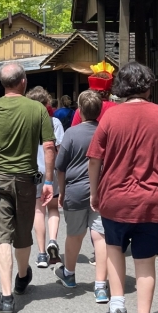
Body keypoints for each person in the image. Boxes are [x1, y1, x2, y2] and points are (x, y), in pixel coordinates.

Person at [88, 61, 158, 313]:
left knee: (115, 250)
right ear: (147, 86)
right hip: (154, 200)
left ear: (121, 87)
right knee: (145, 263)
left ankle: (117, 306)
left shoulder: (110, 118)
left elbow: (95, 159)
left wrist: (95, 192)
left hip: (115, 199)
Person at [0, 61, 55, 313]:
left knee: (2, 237)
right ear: (23, 81)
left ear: (2, 83)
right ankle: (22, 275)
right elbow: (49, 146)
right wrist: (49, 181)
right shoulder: (37, 109)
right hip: (27, 180)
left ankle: (7, 299)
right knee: (22, 232)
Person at [55, 90, 108, 298]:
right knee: (101, 238)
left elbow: (61, 167)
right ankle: (101, 286)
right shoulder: (106, 132)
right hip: (101, 191)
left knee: (74, 235)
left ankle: (69, 274)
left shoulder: (72, 133)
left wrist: (61, 191)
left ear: (80, 110)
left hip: (74, 190)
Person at [26, 86, 64, 268]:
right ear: (47, 103)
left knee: (38, 211)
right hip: (52, 170)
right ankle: (53, 240)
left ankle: (41, 254)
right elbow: (59, 149)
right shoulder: (54, 122)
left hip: (33, 170)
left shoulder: (25, 123)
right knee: (53, 209)